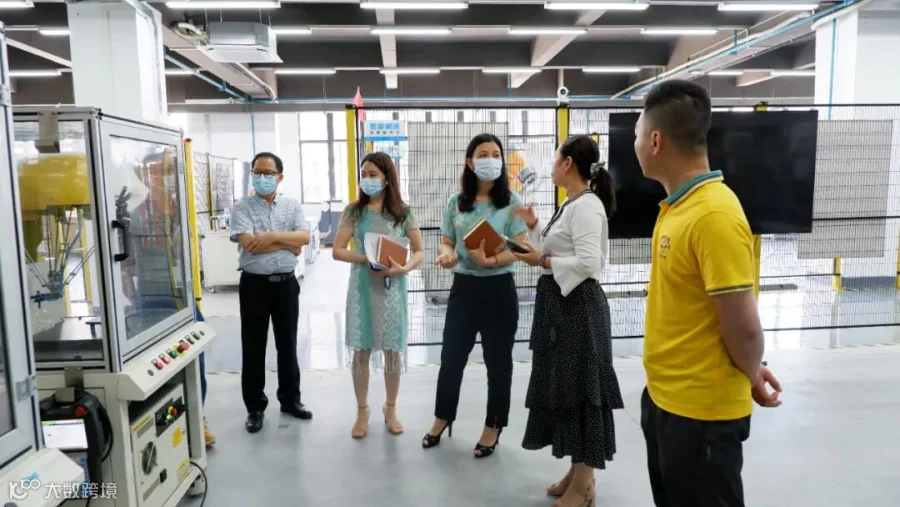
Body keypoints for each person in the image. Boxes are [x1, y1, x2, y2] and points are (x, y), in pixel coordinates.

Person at [635, 80, 783, 507]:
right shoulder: (678, 207)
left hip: (701, 415)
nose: (636, 144)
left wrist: (751, 370)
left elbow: (745, 329)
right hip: (666, 400)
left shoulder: (713, 214)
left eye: (638, 135)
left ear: (656, 141)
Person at [513, 135, 624, 507]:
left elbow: (590, 262)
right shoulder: (571, 203)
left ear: (568, 164)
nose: (551, 165)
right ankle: (578, 471)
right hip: (561, 307)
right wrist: (534, 227)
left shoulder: (587, 205)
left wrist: (543, 261)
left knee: (582, 392)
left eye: (554, 158)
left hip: (579, 310)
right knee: (567, 389)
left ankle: (585, 481)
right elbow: (555, 250)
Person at [423, 133, 529, 459]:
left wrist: (492, 261)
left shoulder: (513, 203)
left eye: (496, 154)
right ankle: (443, 417)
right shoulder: (456, 202)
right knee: (451, 357)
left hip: (499, 290)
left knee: (498, 363)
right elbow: (447, 241)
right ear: (470, 162)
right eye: (482, 154)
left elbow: (522, 248)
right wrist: (447, 255)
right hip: (464, 289)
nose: (490, 159)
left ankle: (493, 425)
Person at [332, 152, 424, 439]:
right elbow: (337, 250)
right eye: (364, 174)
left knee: (392, 351)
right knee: (361, 349)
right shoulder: (353, 211)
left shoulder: (403, 213)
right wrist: (368, 258)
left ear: (387, 178)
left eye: (373, 174)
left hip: (391, 288)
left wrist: (404, 268)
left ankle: (390, 407)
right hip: (362, 286)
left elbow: (419, 251)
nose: (367, 179)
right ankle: (362, 410)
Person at [230, 152, 312, 434]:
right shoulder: (241, 207)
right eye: (257, 172)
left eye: (268, 172)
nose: (262, 177)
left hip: (286, 285)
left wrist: (271, 237)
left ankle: (290, 400)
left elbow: (304, 238)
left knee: (287, 345)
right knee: (253, 346)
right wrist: (288, 243)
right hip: (254, 285)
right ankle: (255, 407)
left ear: (280, 177)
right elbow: (249, 244)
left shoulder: (291, 206)